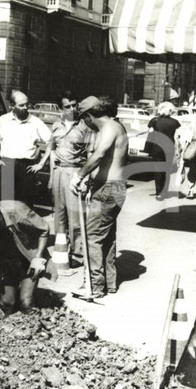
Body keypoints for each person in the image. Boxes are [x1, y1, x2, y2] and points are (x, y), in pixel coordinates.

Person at [70, 96, 128, 299]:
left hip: (107, 190)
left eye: (83, 119)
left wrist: (80, 175)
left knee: (93, 238)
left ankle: (94, 286)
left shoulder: (109, 128)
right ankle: (108, 283)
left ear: (89, 116)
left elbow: (100, 154)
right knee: (107, 238)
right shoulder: (116, 126)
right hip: (113, 188)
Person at [44, 91, 93, 268]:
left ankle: (79, 254)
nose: (72, 109)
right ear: (60, 108)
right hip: (58, 171)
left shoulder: (85, 126)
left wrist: (85, 179)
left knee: (76, 216)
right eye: (67, 106)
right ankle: (62, 253)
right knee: (60, 214)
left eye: (74, 105)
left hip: (75, 172)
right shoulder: (56, 125)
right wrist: (51, 176)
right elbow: (52, 150)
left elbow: (90, 154)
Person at [0, 91, 51, 206]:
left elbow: (51, 142)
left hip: (27, 167)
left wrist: (41, 164)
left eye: (27, 104)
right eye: (21, 105)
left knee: (25, 205)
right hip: (7, 165)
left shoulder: (36, 122)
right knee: (4, 204)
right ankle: (7, 225)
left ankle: (23, 225)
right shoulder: (3, 120)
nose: (25, 108)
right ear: (12, 106)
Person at [146, 101, 181, 200]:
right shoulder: (175, 122)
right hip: (169, 148)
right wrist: (177, 150)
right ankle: (165, 191)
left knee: (158, 170)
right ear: (170, 111)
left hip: (157, 149)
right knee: (167, 170)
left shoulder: (154, 121)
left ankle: (159, 193)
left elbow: (150, 133)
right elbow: (176, 138)